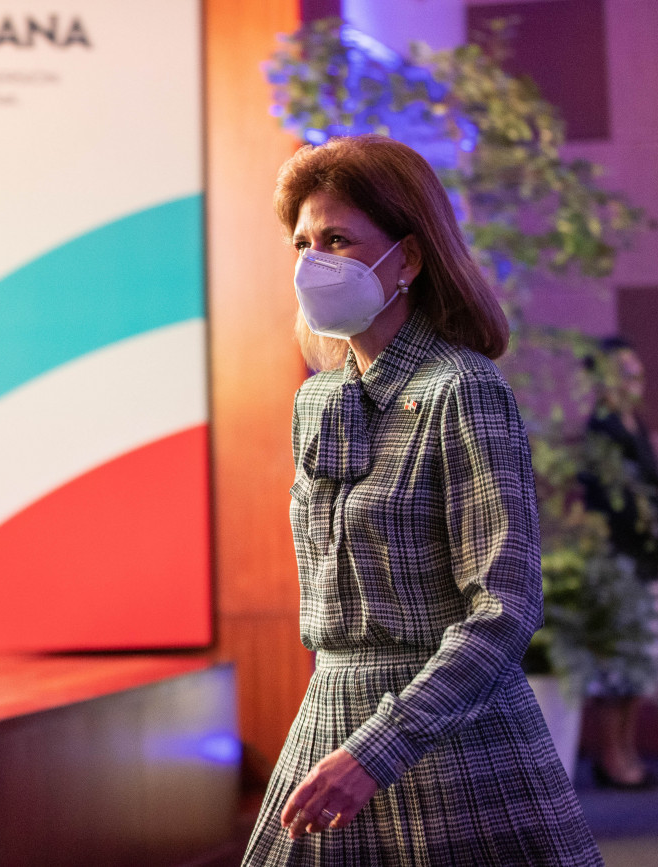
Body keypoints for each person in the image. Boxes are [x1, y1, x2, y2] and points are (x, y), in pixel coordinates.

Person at [242, 134, 603, 865]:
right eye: (303, 243)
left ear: (407, 259)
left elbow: (504, 609)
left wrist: (379, 748)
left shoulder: (463, 389)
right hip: (330, 713)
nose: (313, 262)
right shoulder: (317, 401)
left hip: (451, 737)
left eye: (337, 240)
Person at [580, 337, 658, 790]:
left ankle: (628, 755)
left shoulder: (634, 424)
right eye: (623, 373)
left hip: (644, 561)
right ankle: (612, 760)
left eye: (637, 373)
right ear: (602, 378)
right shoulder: (602, 429)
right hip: (617, 561)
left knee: (639, 665)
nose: (633, 381)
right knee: (617, 668)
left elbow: (654, 491)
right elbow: (618, 505)